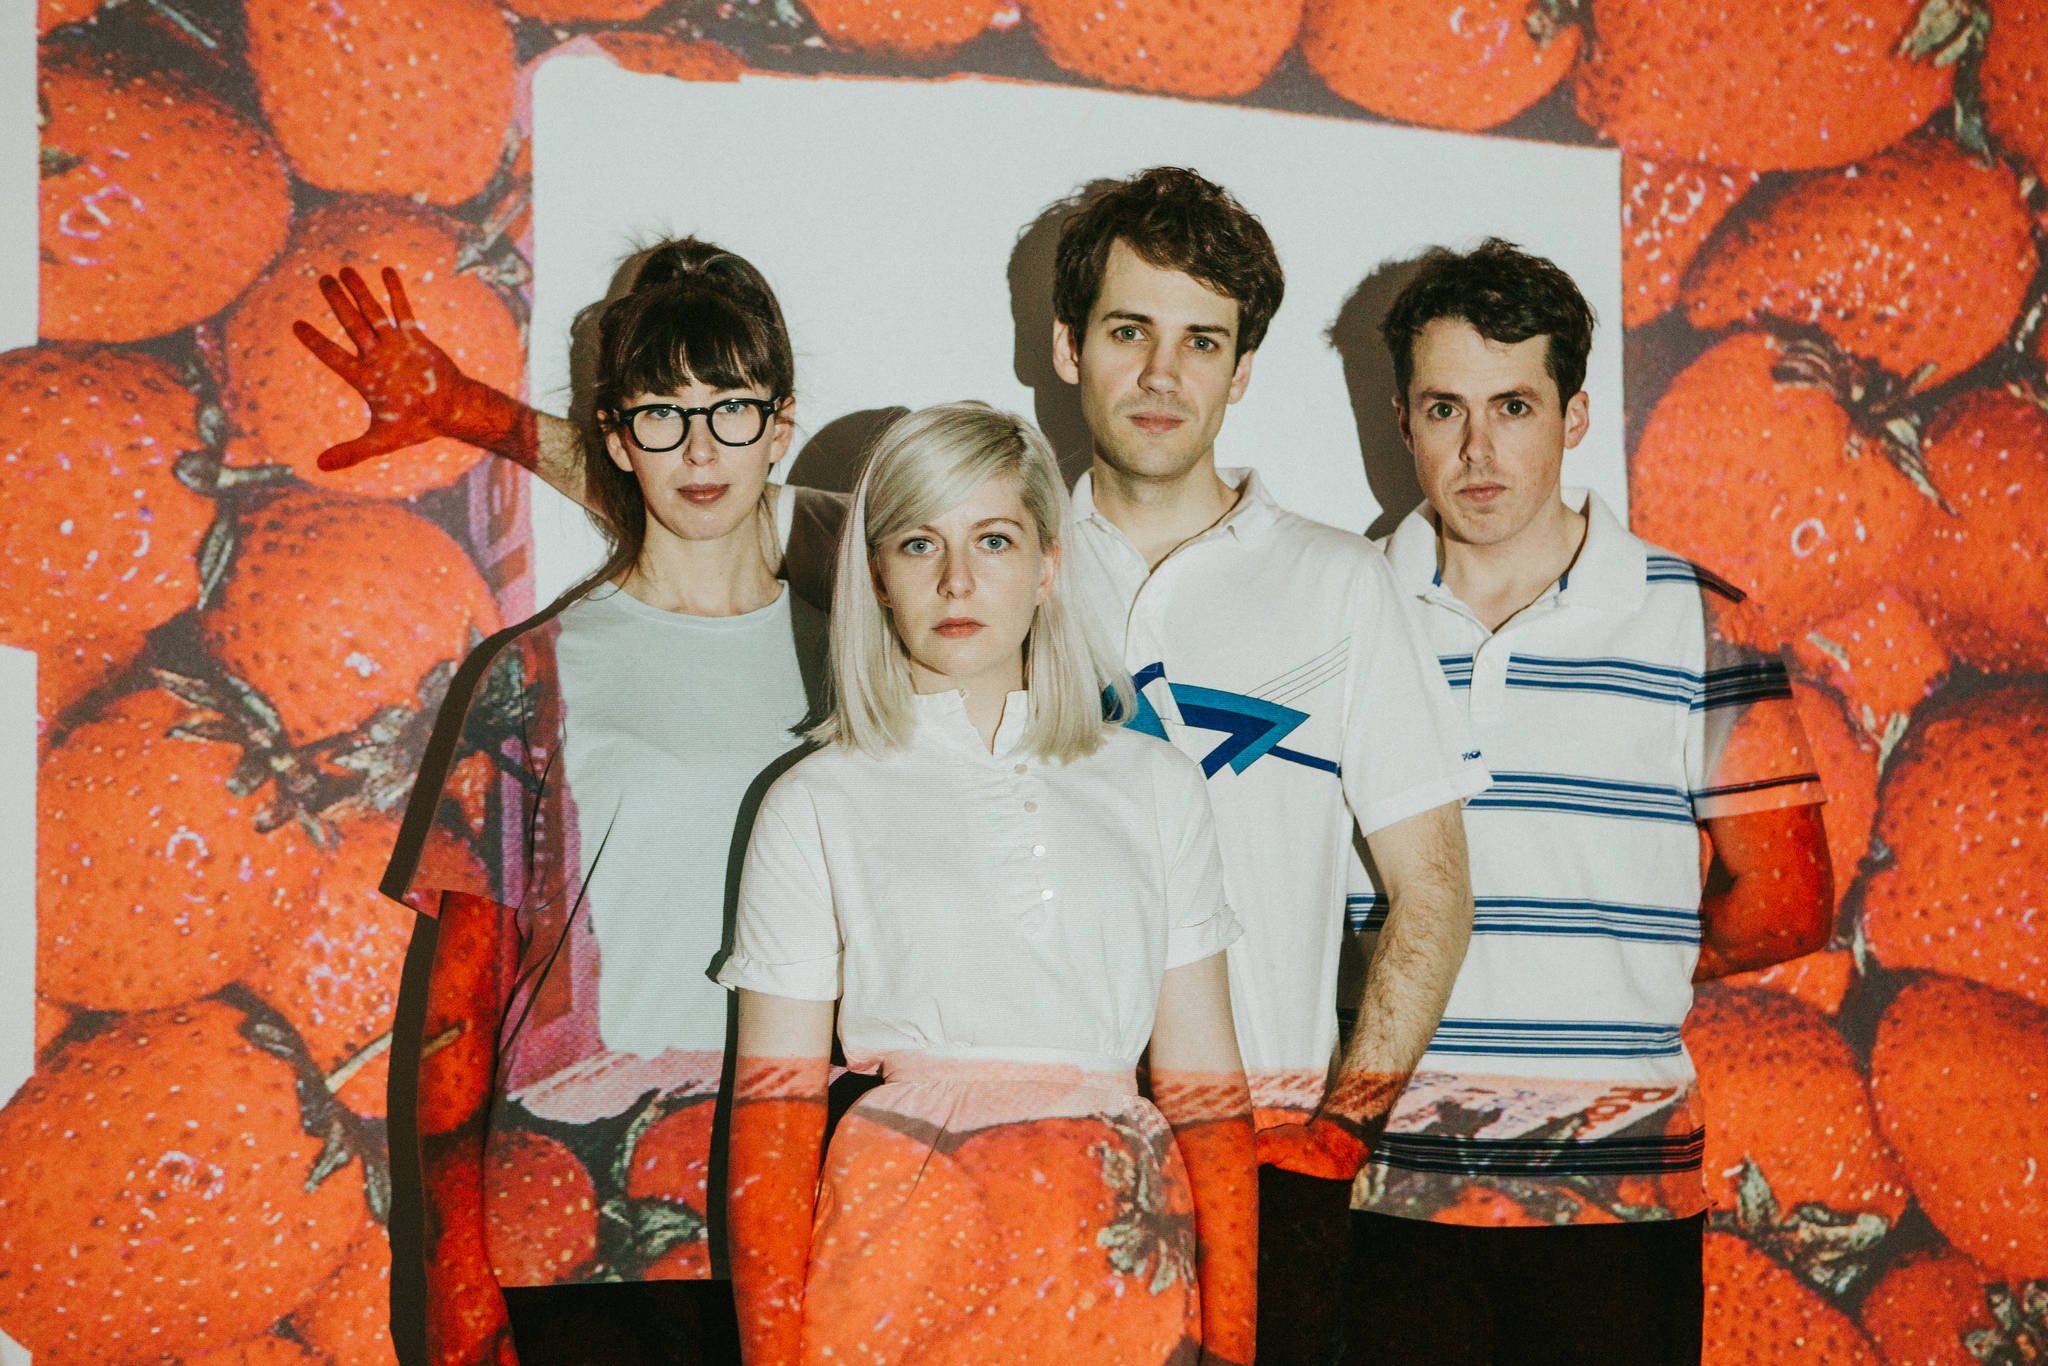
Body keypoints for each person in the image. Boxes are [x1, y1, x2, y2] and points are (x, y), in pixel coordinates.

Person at [303, 166, 1485, 1365]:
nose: (1161, 372)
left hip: (1219, 1155)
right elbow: (699, 482)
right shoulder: (949, 538)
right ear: (1072, 347)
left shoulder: (1331, 582)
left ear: (1240, 369)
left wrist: (1340, 1134)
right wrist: (477, 415)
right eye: (1129, 330)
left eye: (1199, 340)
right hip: (822, 1197)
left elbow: (1432, 887)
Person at [1338, 240, 1832, 1365]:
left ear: (1569, 415)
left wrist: (1611, 958)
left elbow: (1787, 901)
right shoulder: (1340, 609)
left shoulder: (1700, 618)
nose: (1477, 449)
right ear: (1402, 419)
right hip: (1381, 1185)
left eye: (1512, 404)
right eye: (1442, 409)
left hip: (1618, 1199)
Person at [714, 401, 1258, 1366]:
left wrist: (1233, 1344)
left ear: (1048, 565)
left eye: (994, 540)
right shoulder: (814, 799)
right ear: (876, 576)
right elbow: (773, 1117)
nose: (957, 580)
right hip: (894, 1268)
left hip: (1118, 1262)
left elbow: (1207, 1094)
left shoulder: (1157, 785)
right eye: (919, 543)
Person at [362, 240, 827, 1366]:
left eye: (730, 409)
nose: (700, 446)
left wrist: (474, 407)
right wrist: (460, 1302)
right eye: (661, 414)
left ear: (783, 422)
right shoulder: (532, 671)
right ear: (617, 436)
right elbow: (455, 1018)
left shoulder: (864, 652)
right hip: (577, 1233)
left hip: (813, 1215)